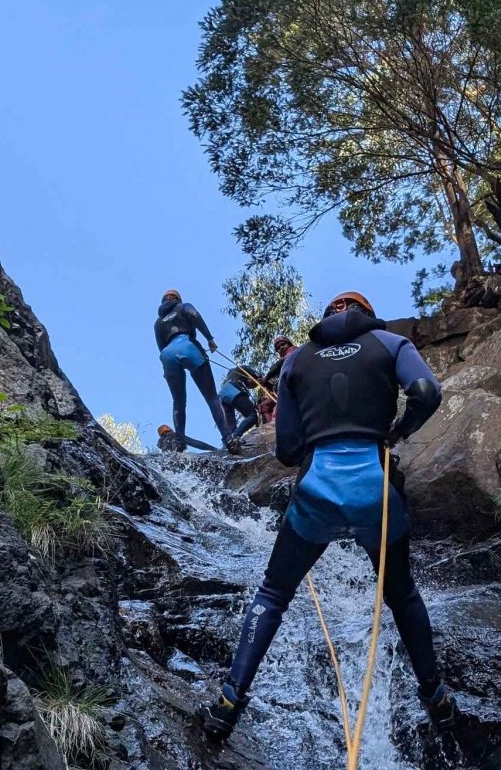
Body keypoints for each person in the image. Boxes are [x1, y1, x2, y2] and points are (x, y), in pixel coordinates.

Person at [201, 291, 456, 745]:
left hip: (316, 487)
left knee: (274, 593)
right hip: (374, 488)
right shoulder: (391, 343)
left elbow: (285, 450)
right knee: (401, 594)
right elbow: (425, 391)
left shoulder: (297, 360)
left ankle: (227, 704)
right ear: (367, 313)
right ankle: (436, 699)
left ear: (324, 318)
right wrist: (397, 431)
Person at [154, 289, 233, 448]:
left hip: (168, 355)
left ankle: (179, 441)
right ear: (177, 298)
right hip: (189, 346)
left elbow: (161, 348)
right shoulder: (183, 307)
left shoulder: (158, 322)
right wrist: (209, 339)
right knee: (211, 397)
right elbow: (195, 316)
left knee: (178, 401)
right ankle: (229, 438)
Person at [217, 365, 262, 453]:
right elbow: (259, 376)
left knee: (232, 427)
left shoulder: (231, 373)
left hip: (223, 394)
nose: (252, 386)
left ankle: (228, 445)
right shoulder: (243, 369)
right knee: (252, 415)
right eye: (252, 385)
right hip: (234, 388)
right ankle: (236, 436)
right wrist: (260, 378)